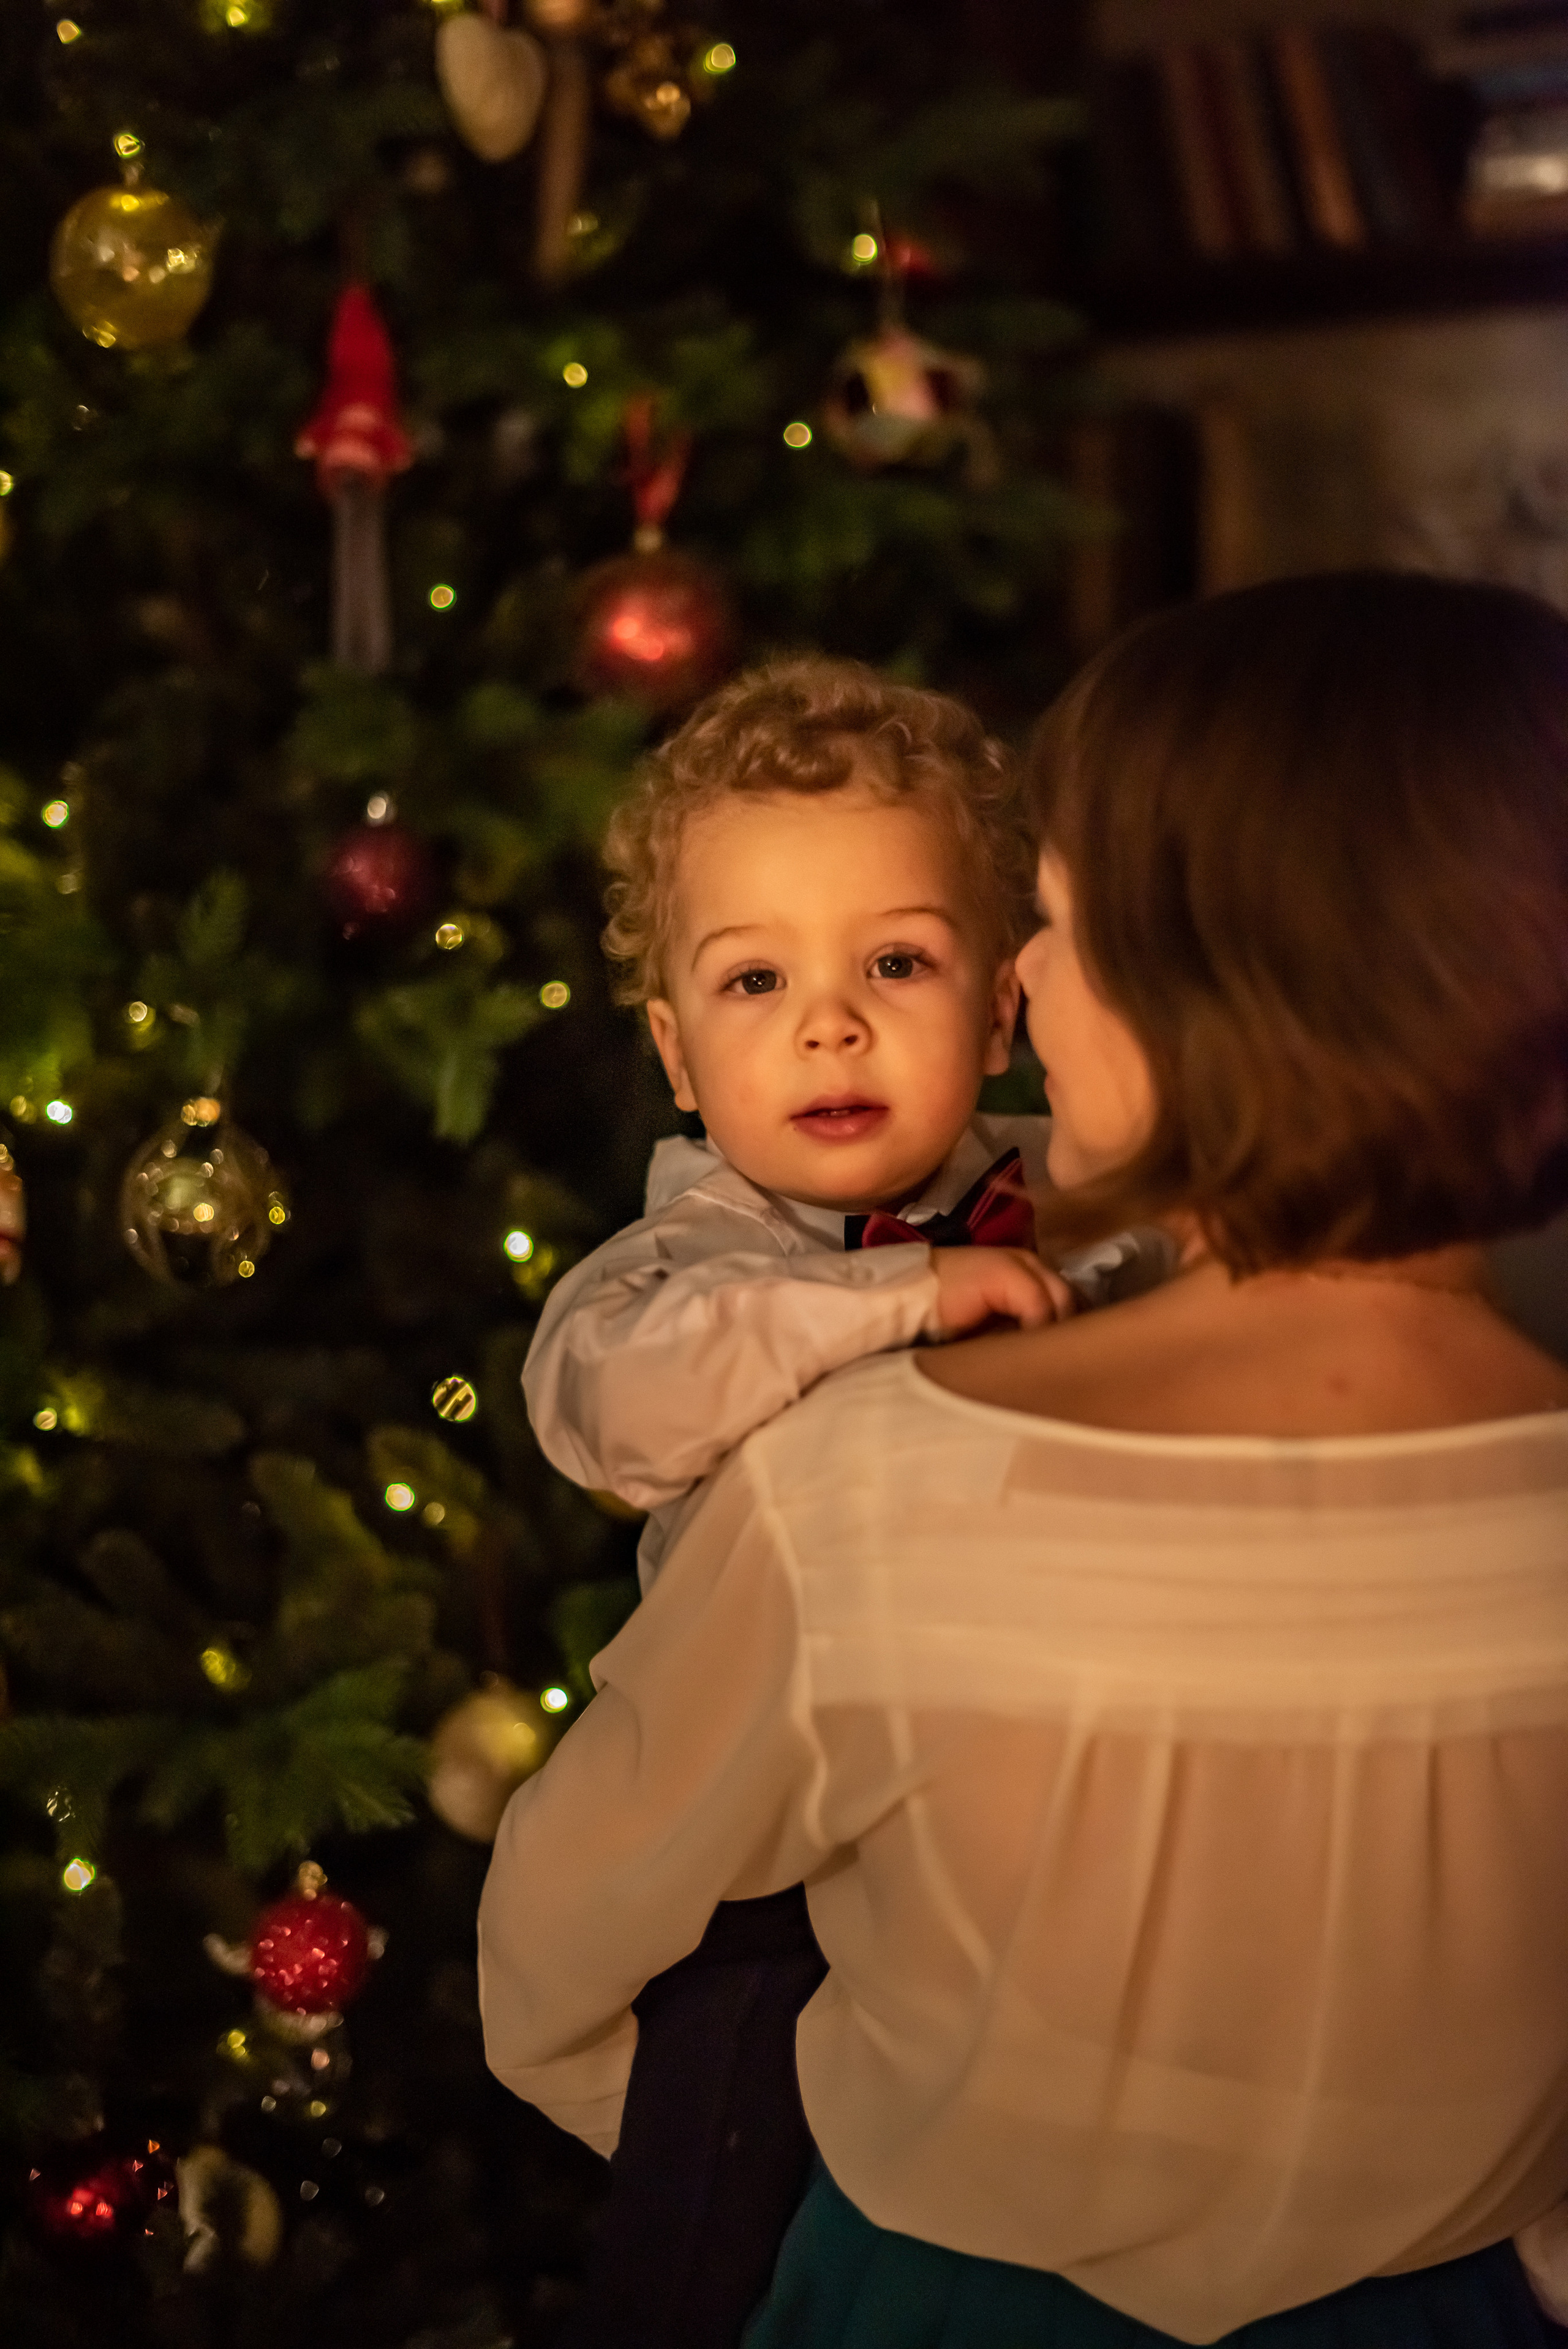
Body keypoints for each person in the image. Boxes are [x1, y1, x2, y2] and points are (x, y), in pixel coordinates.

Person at [481, 571, 1568, 2346]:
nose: (1023, 976)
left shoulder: (862, 1506)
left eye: (1050, 921)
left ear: (1221, 981)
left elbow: (555, 1959)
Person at [522, 656, 1167, 2346]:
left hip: (1029, 1827)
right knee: (714, 2192)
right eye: (755, 980)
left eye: (897, 961)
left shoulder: (1068, 1194)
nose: (831, 1021)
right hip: (769, 1850)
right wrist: (899, 1301)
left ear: (1007, 1007)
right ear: (673, 1050)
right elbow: (609, 1407)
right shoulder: (671, 1270)